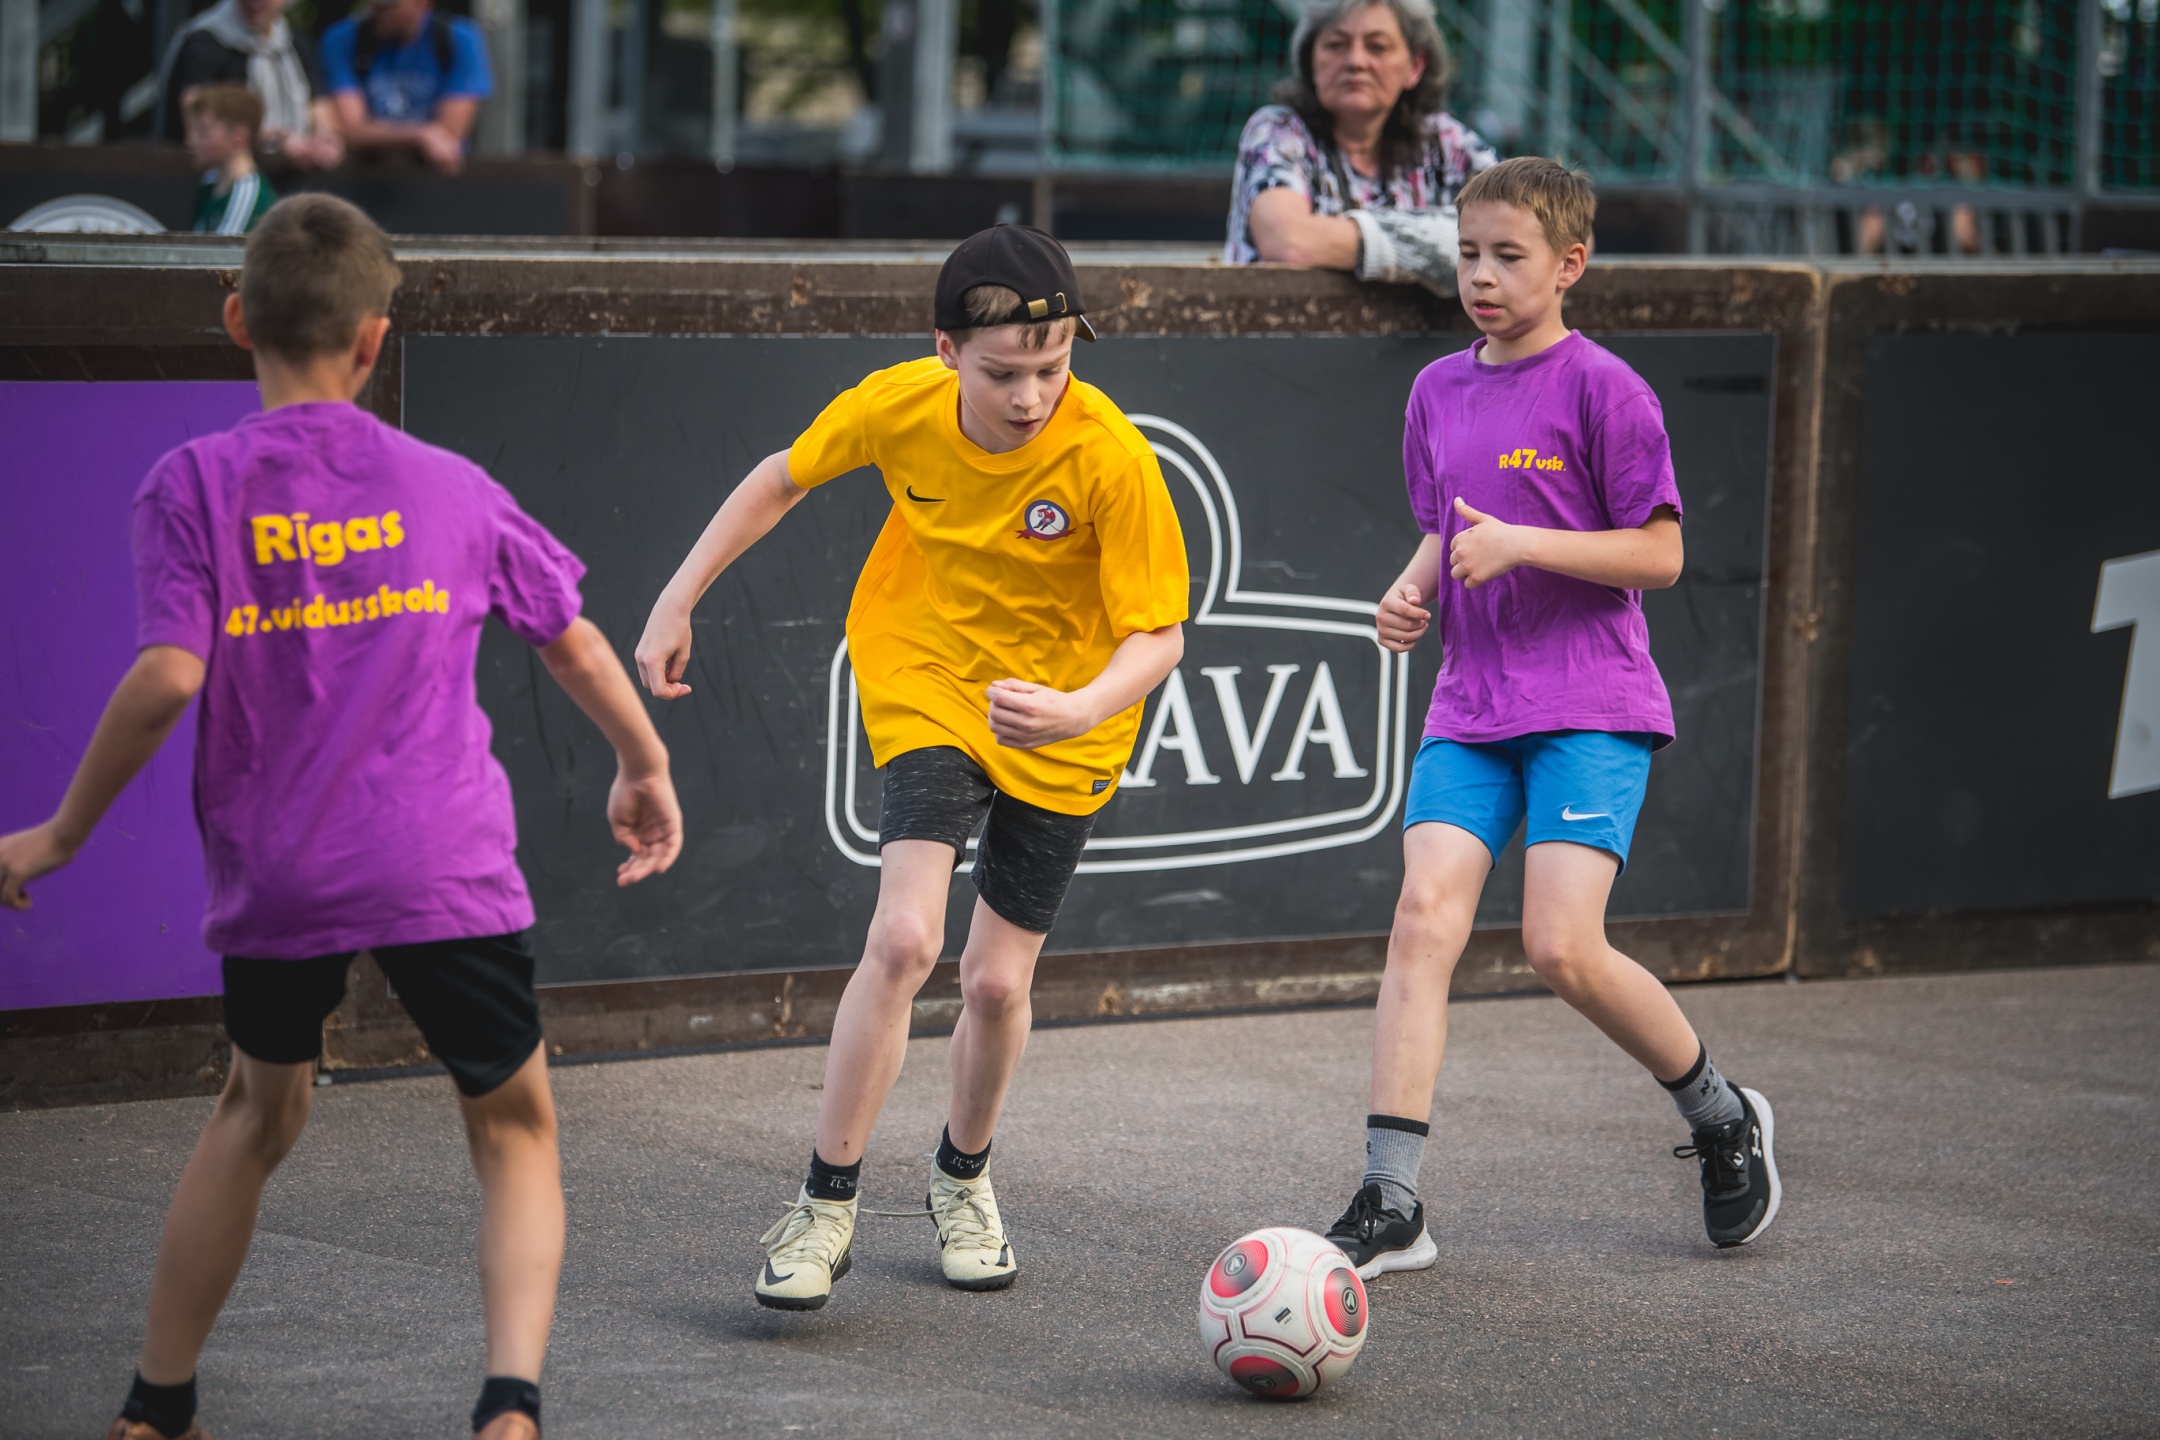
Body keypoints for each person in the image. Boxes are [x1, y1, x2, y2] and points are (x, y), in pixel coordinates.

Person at [0, 194, 683, 1440]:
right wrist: (645, 764)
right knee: (515, 1126)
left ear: (235, 320)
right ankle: (510, 1410)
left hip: (281, 874)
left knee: (259, 1110)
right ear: (374, 340)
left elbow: (167, 677)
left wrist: (56, 836)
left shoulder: (189, 486)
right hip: (444, 867)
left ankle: (157, 1408)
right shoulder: (452, 485)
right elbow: (575, 643)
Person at [634, 225, 1189, 1312]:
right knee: (904, 938)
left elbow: (1159, 636)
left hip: (1065, 715)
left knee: (996, 982)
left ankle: (961, 1179)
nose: (1031, 396)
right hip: (927, 675)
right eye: (1004, 372)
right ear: (945, 352)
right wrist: (676, 596)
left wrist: (1078, 706)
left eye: (1052, 367)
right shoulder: (897, 405)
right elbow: (779, 478)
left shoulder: (1112, 456)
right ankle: (824, 1204)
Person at [1321, 157, 1782, 1279]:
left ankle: (1721, 1114)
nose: (1481, 276)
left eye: (1508, 257)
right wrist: (1409, 591)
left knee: (1561, 946)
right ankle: (1392, 1197)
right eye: (1468, 254)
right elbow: (1446, 526)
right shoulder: (1436, 390)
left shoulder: (1608, 392)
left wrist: (1524, 543)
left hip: (1589, 705)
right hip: (1470, 707)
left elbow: (1662, 554)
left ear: (1571, 264)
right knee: (1422, 917)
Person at [1225, 0, 1495, 293]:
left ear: (1415, 65)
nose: (1355, 61)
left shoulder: (1443, 141)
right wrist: (1444, 240)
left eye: (1377, 47)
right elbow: (1288, 241)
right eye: (1335, 45)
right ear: (1311, 60)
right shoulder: (1277, 131)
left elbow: (1521, 224)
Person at [156, 0, 344, 170]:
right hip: (221, 176)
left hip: (288, 177)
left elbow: (320, 109)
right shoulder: (205, 42)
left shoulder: (295, 45)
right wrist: (277, 140)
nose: (254, 2)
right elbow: (197, 118)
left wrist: (324, 140)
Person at [321, 0, 494, 174]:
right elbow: (351, 130)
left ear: (423, 4)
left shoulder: (457, 38)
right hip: (364, 175)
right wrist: (421, 135)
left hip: (436, 175)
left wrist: (377, 135)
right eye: (376, 5)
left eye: (390, 6)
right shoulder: (342, 39)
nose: (378, 12)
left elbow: (448, 137)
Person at [184, 86, 277, 236]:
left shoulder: (247, 193)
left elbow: (222, 250)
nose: (190, 141)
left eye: (203, 132)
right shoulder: (209, 181)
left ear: (239, 138)